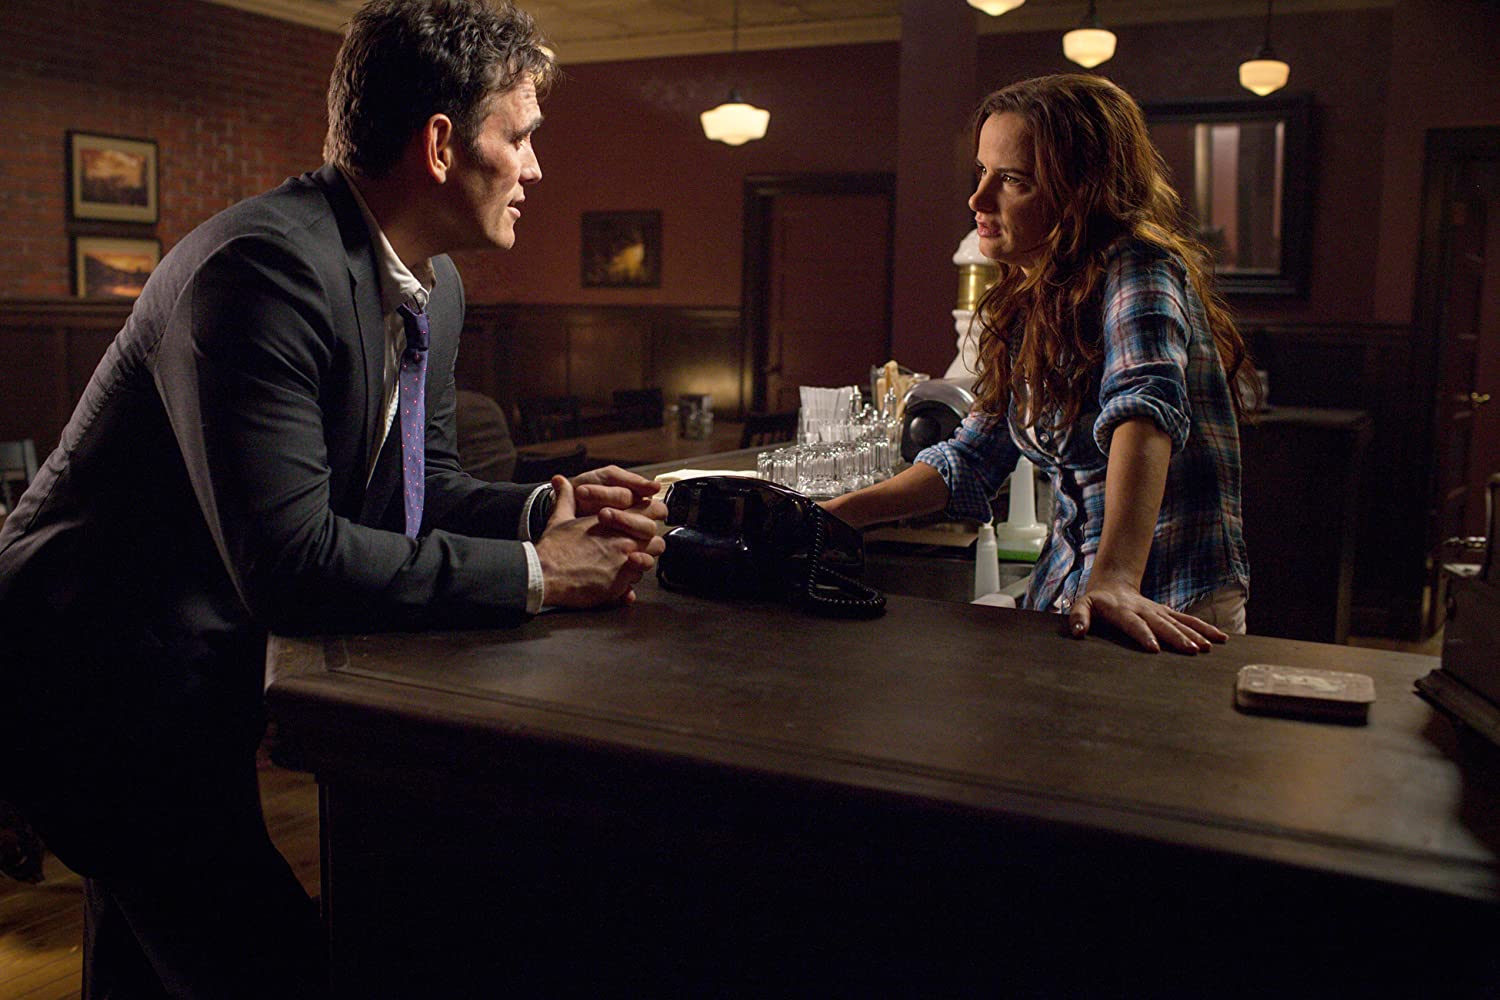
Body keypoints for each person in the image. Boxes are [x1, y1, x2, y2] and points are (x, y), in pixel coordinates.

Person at [0, 1, 666, 995]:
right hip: (91, 682)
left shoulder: (434, 283)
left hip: (186, 674)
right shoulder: (263, 269)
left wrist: (548, 510)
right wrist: (540, 573)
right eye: (521, 137)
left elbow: (421, 491)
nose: (535, 168)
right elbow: (291, 564)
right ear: (440, 145)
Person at [825, 74, 1252, 655]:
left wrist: (1116, 579)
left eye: (1013, 180)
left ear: (1082, 191)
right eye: (982, 171)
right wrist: (835, 515)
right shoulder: (1033, 297)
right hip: (1073, 590)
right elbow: (972, 458)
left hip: (1168, 597)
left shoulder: (1137, 265)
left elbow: (1143, 412)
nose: (979, 199)